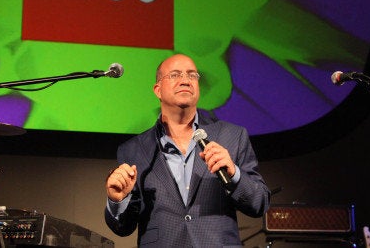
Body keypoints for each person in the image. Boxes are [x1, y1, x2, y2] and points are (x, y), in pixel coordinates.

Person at [104, 54, 270, 247]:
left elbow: (260, 203)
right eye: (175, 75)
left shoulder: (232, 136)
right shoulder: (133, 150)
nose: (185, 80)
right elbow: (123, 228)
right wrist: (118, 201)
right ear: (158, 90)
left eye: (192, 75)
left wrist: (234, 175)